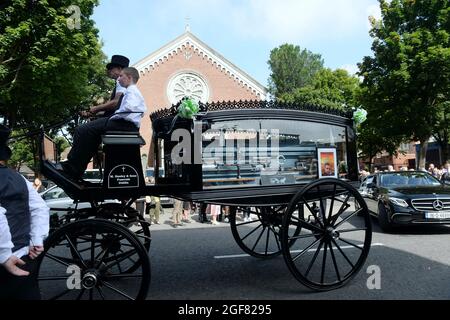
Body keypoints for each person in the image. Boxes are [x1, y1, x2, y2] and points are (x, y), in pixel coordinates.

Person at [60, 67, 147, 180]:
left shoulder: (131, 91)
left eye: (121, 76)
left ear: (129, 78)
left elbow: (129, 108)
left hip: (122, 123)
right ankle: (76, 168)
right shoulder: (131, 90)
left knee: (83, 130)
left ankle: (73, 168)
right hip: (121, 122)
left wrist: (113, 116)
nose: (118, 79)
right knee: (90, 131)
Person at [0, 124, 50, 300]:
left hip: (5, 264)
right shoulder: (19, 177)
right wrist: (36, 239)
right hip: (24, 257)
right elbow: (40, 207)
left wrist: (4, 255)